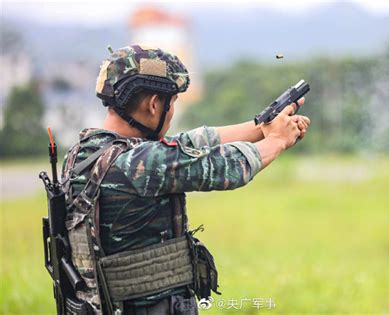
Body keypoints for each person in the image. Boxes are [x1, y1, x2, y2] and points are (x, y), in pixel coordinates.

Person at [61, 44, 310, 315]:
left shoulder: (85, 153)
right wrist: (277, 141)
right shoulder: (139, 162)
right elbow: (226, 166)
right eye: (172, 103)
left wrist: (263, 127)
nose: (172, 112)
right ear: (154, 104)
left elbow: (187, 144)